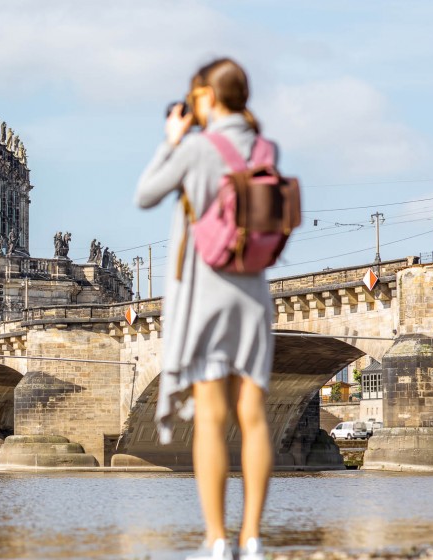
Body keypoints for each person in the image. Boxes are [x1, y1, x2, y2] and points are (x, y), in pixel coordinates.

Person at [134, 58, 275, 560]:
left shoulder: (195, 148)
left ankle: (217, 542)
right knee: (254, 416)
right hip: (255, 295)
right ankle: (253, 537)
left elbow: (146, 194)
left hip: (207, 293)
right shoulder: (264, 147)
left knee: (212, 419)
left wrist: (173, 139)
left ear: (208, 99)